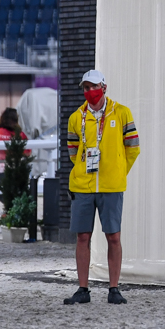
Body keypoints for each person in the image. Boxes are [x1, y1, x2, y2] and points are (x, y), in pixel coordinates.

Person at [63, 70, 140, 305]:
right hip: (83, 186)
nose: (89, 91)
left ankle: (114, 289)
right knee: (82, 236)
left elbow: (133, 147)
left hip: (111, 185)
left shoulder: (122, 112)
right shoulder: (77, 117)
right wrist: (83, 170)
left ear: (104, 87)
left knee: (113, 236)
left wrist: (117, 170)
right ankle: (83, 289)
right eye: (85, 88)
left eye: (93, 86)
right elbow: (73, 152)